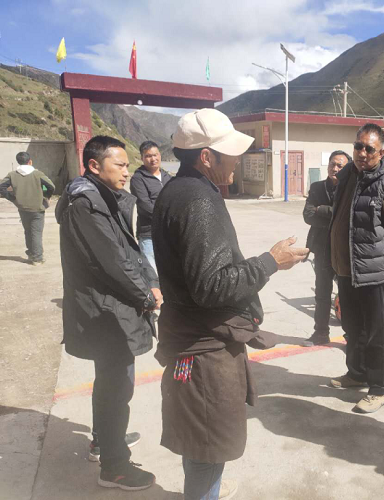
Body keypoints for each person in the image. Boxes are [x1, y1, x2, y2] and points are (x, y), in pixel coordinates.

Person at [151, 108, 309, 500]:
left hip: (189, 336)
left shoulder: (176, 189)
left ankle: (207, 488)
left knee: (200, 441)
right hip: (204, 347)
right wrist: (270, 262)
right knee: (208, 445)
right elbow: (211, 286)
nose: (238, 159)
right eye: (231, 153)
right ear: (206, 157)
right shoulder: (198, 200)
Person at [55, 136, 162, 491]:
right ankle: (114, 467)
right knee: (117, 386)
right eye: (120, 164)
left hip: (108, 306)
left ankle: (104, 440)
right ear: (94, 165)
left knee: (110, 381)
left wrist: (150, 282)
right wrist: (147, 296)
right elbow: (114, 261)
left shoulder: (101, 197)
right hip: (106, 310)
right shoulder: (87, 204)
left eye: (128, 165)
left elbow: (129, 251)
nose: (127, 171)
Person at [328, 123, 384, 414]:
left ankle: (380, 388)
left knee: (376, 332)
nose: (362, 153)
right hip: (345, 269)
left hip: (372, 271)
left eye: (369, 149)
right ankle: (357, 373)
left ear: (381, 152)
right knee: (352, 327)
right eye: (358, 146)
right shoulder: (347, 176)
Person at [303, 150, 351, 346]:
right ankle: (321, 333)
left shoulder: (351, 189)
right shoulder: (317, 188)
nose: (335, 168)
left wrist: (321, 210)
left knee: (347, 295)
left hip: (344, 251)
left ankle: (350, 337)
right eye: (333, 164)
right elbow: (308, 216)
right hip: (322, 249)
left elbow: (349, 218)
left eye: (340, 165)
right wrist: (335, 216)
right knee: (322, 294)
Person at [0, 152, 55, 265]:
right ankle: (37, 258)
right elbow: (51, 186)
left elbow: (2, 187)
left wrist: (12, 198)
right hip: (37, 208)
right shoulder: (38, 174)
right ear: (30, 161)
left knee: (28, 231)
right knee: (36, 232)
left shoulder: (12, 175)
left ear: (18, 162)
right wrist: (46, 196)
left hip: (22, 208)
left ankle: (30, 253)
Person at [129, 140, 172, 272]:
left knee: (169, 271)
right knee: (151, 273)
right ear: (142, 158)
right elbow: (145, 206)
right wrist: (170, 216)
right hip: (149, 234)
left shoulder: (167, 177)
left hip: (169, 233)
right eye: (148, 156)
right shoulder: (138, 179)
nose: (153, 159)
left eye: (155, 155)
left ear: (160, 155)